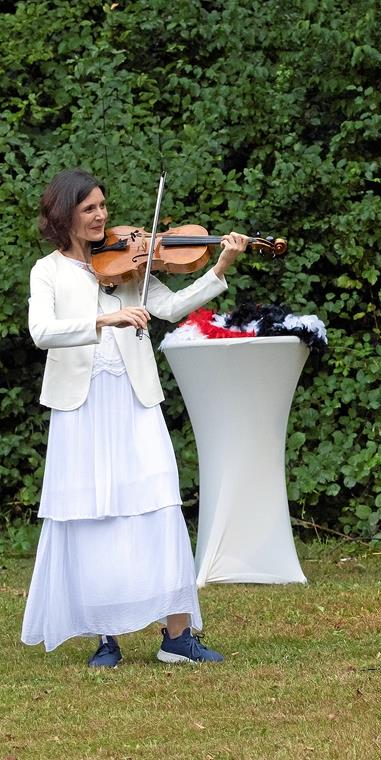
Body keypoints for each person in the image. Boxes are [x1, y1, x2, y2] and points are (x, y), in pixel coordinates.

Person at [21, 169, 248, 667]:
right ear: (64, 216)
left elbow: (171, 306)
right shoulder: (49, 271)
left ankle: (177, 636)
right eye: (89, 209)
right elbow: (42, 332)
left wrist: (220, 267)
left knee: (158, 503)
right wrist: (105, 319)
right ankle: (107, 637)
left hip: (133, 398)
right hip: (81, 406)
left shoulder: (128, 265)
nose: (102, 216)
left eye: (103, 206)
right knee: (95, 514)